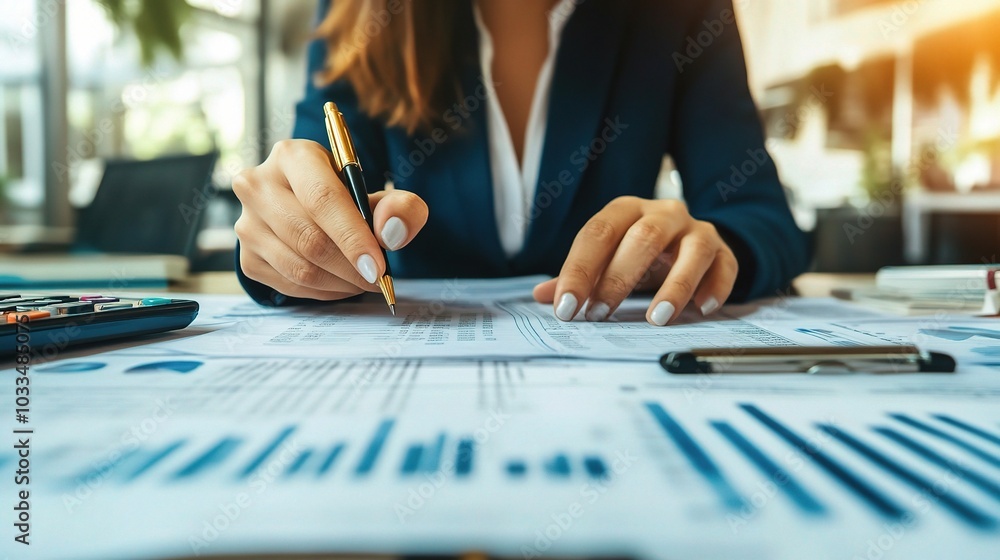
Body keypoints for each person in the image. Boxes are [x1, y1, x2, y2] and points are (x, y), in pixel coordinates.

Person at [233, 0, 811, 326]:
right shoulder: (363, 11)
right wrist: (291, 244)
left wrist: (711, 250)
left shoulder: (684, 11)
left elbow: (761, 216)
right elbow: (307, 193)